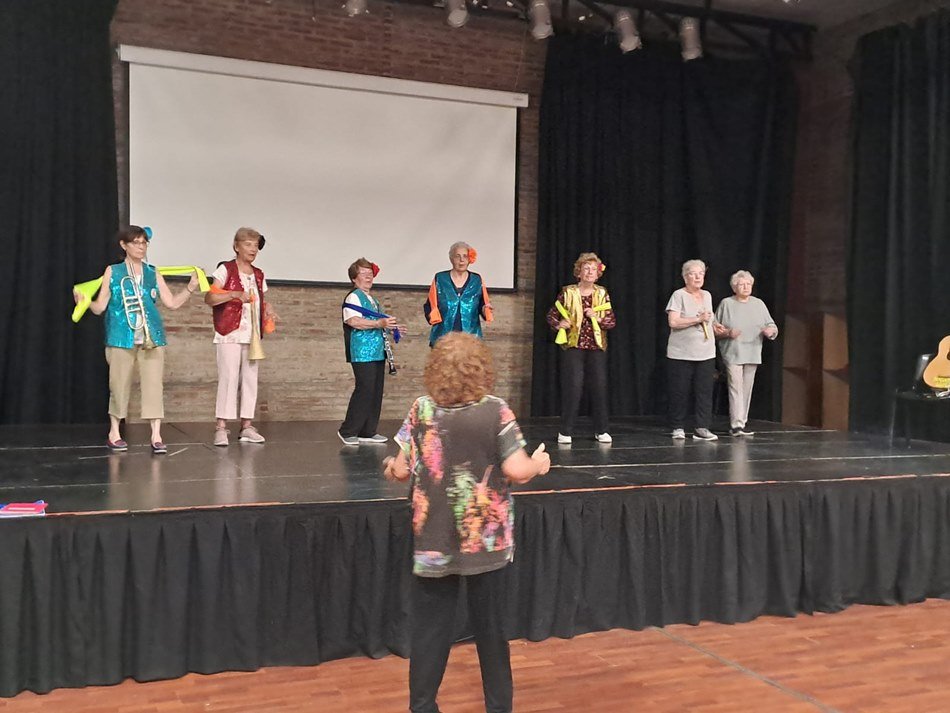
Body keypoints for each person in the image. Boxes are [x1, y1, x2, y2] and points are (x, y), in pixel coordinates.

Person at [382, 332, 551, 713]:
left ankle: (422, 707)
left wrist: (391, 467)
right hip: (486, 543)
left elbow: (401, 468)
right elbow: (517, 470)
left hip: (433, 541)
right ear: (481, 370)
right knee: (492, 635)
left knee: (429, 633)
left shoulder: (421, 409)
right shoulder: (496, 411)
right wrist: (539, 464)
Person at [76, 225, 198, 453]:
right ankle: (114, 432)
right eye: (136, 243)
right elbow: (100, 306)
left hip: (151, 336)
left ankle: (156, 434)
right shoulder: (113, 271)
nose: (141, 247)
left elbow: (171, 303)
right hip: (121, 336)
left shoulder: (153, 272)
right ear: (124, 245)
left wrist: (190, 289)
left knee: (154, 385)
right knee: (118, 384)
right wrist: (85, 302)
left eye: (144, 242)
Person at [204, 227, 276, 447]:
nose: (252, 249)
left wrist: (268, 308)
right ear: (236, 246)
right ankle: (221, 427)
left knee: (250, 379)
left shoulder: (259, 274)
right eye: (248, 244)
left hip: (252, 334)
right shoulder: (225, 270)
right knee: (228, 378)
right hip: (229, 332)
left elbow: (261, 299)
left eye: (255, 245)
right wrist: (234, 294)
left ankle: (247, 426)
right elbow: (210, 298)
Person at [545, 252, 616, 445]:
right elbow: (552, 315)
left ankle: (602, 429)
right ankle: (566, 430)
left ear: (598, 273)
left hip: (596, 345)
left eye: (593, 269)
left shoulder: (602, 293)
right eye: (586, 268)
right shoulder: (568, 292)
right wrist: (559, 324)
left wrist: (597, 317)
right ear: (579, 271)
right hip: (573, 345)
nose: (590, 272)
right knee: (573, 387)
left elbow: (611, 321)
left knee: (599, 387)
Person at [339, 257, 402, 446]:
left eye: (370, 273)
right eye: (364, 274)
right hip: (362, 351)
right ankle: (348, 430)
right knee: (364, 389)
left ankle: (368, 431)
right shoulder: (353, 297)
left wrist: (393, 328)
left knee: (375, 390)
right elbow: (353, 321)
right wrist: (379, 323)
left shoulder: (373, 300)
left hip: (377, 350)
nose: (369, 277)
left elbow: (378, 323)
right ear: (354, 278)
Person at [665, 259, 729, 441]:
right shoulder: (679, 295)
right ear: (685, 277)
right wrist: (697, 319)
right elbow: (673, 322)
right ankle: (677, 427)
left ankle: (702, 427)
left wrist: (715, 326)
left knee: (704, 392)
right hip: (681, 353)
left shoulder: (707, 295)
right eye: (693, 274)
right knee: (680, 391)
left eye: (701, 273)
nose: (698, 277)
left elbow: (709, 318)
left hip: (705, 352)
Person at [714, 270, 779, 437]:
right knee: (735, 387)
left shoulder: (758, 304)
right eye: (742, 284)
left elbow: (772, 325)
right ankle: (736, 425)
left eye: (748, 284)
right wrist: (728, 332)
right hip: (733, 352)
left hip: (752, 351)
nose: (746, 287)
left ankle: (741, 423)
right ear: (734, 287)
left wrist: (770, 331)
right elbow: (714, 328)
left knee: (746, 389)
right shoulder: (726, 304)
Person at [425, 241, 493, 346]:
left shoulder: (477, 279)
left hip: (470, 338)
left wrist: (485, 310)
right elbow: (429, 305)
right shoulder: (440, 278)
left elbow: (482, 304)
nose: (461, 260)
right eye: (457, 256)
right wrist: (433, 317)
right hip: (443, 338)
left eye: (465, 256)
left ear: (469, 259)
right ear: (451, 259)